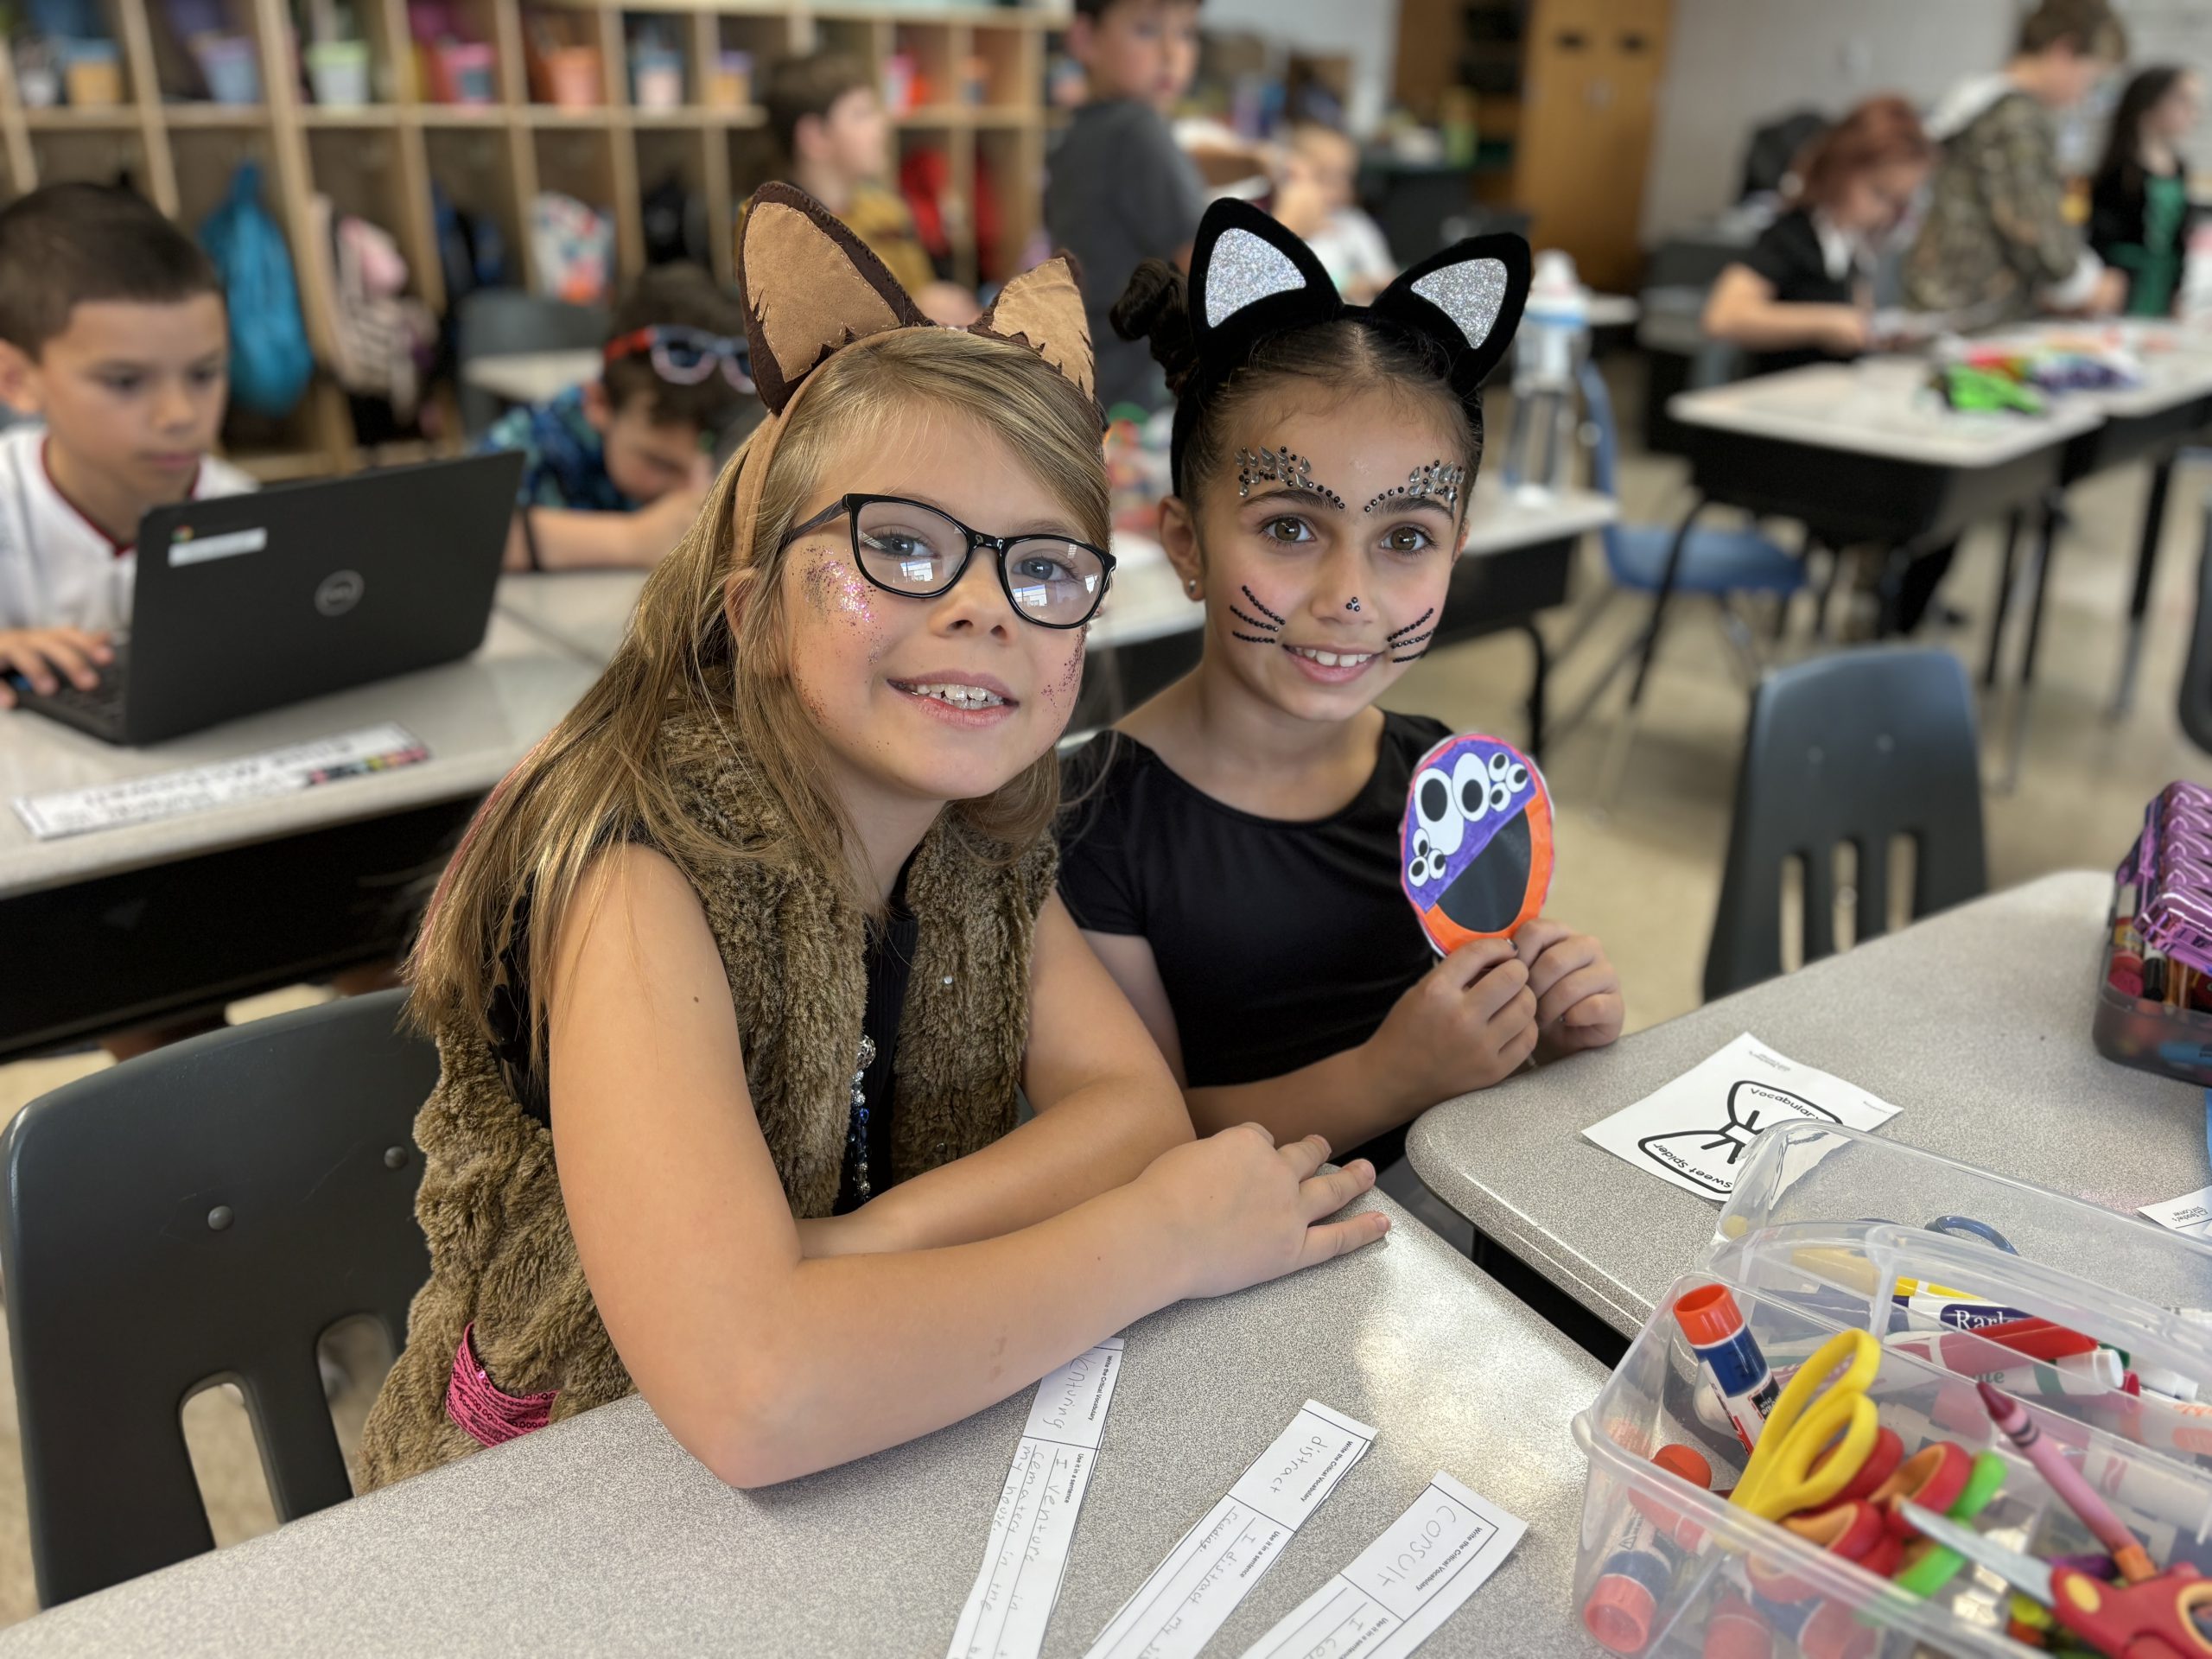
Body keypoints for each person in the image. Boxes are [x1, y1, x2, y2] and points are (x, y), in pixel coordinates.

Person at [357, 186, 1387, 1491]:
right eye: (900, 547)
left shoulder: (982, 830)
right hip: (555, 1497)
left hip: (886, 1441)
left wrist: (844, 1256)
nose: (982, 610)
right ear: (754, 607)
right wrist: (1159, 1244)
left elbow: (1131, 1115)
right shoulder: (629, 876)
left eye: (1046, 567)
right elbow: (758, 1392)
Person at [1057, 198, 1625, 1186]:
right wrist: (1384, 1078)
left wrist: (1545, 1024)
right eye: (1288, 528)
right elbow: (1137, 1146)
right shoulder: (1093, 819)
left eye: (1405, 539)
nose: (1349, 596)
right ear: (1184, 544)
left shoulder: (1445, 778)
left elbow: (1485, 1047)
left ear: (1456, 550)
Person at [0, 181, 253, 710]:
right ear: (16, 380)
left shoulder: (245, 510)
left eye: (205, 373)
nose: (180, 415)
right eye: (124, 382)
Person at [478, 264, 747, 572]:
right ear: (599, 404)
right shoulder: (539, 440)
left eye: (711, 465)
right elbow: (463, 532)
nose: (693, 491)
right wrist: (633, 539)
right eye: (659, 463)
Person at [1904, 0, 2129, 321]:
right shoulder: (2016, 117)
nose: (2084, 95)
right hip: (1972, 312)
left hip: (1947, 301)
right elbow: (2031, 226)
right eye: (2090, 79)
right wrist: (2088, 287)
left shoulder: (1986, 103)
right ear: (2064, 52)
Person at [1045, 0, 1205, 415]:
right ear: (1085, 38)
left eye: (1186, 33)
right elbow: (1209, 269)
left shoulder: (1077, 134)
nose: (1172, 54)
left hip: (1085, 378)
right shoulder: (1140, 129)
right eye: (1147, 30)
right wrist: (1292, 219)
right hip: (1142, 394)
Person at [1703, 97, 1936, 376]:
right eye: (1879, 193)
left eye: (1897, 202)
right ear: (1841, 168)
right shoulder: (1792, 236)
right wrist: (1825, 323)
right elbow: (1723, 317)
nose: (1885, 214)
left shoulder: (1852, 249)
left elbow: (1858, 321)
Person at [758, 51, 979, 327]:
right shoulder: (773, 231)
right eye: (861, 114)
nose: (881, 126)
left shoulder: (887, 209)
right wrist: (913, 310)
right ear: (815, 137)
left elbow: (924, 288)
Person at [2090, 66, 2204, 318]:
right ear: (2152, 100)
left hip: (2163, 284)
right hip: (2119, 286)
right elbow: (2099, 235)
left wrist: (2177, 290)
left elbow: (2179, 239)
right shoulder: (2118, 169)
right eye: (2183, 100)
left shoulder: (2179, 168)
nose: (2192, 113)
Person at [1273, 122, 1396, 303]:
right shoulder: (1279, 224)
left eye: (1346, 178)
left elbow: (1386, 278)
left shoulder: (1354, 224)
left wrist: (1365, 284)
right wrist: (1341, 282)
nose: (1339, 189)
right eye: (1326, 178)